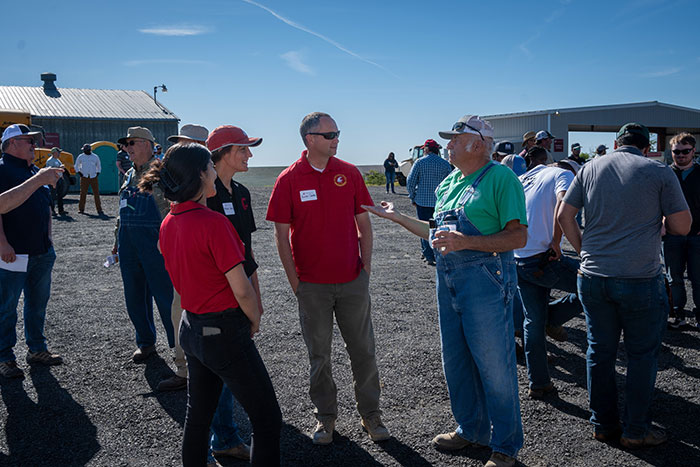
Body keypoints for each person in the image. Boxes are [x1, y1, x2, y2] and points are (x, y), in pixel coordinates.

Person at [364, 115, 526, 467]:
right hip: (449, 279)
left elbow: (518, 236)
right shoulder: (450, 181)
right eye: (449, 139)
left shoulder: (501, 178)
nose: (448, 145)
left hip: (487, 279)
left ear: (479, 144)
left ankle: (506, 446)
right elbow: (436, 232)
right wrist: (397, 218)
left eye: (456, 139)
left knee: (495, 364)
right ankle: (471, 430)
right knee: (455, 359)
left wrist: (466, 241)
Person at [141, 142, 281, 466]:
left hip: (191, 328)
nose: (215, 173)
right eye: (211, 167)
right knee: (267, 418)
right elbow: (242, 289)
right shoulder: (214, 223)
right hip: (224, 332)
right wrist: (254, 317)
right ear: (202, 175)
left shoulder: (168, 223)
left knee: (198, 417)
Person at [558, 122, 691, 448]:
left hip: (593, 276)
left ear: (616, 145)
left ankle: (603, 424)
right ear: (647, 148)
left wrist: (583, 251)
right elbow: (683, 226)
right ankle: (636, 429)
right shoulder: (659, 172)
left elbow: (564, 216)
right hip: (640, 278)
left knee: (599, 352)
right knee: (642, 355)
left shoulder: (590, 167)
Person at [267, 112, 389, 445]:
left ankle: (371, 414)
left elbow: (364, 225)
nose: (337, 138)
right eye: (330, 134)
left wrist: (365, 271)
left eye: (338, 132)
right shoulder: (289, 179)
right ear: (310, 139)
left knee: (363, 351)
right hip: (312, 287)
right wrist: (296, 283)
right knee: (319, 356)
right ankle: (325, 418)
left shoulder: (348, 173)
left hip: (352, 282)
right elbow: (280, 236)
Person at [204, 124, 266, 463]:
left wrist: (256, 295)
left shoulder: (241, 193)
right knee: (218, 374)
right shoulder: (204, 195)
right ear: (222, 153)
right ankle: (223, 437)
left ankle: (223, 436)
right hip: (217, 300)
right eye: (242, 150)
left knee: (226, 373)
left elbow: (248, 250)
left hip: (241, 294)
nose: (249, 155)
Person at [515, 151, 583, 399]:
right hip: (545, 256)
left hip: (519, 256)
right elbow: (564, 208)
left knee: (532, 321)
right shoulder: (563, 175)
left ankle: (539, 382)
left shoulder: (524, 179)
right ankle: (553, 318)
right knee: (595, 286)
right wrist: (558, 240)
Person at [0, 124, 64, 379]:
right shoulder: (3, 169)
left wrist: (49, 239)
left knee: (37, 305)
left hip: (41, 252)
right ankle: (4, 357)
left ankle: (37, 350)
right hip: (12, 253)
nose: (34, 145)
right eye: (29, 141)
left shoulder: (35, 170)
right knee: (6, 308)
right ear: (12, 143)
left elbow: (45, 206)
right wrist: (2, 243)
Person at [113, 127, 174, 362]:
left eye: (132, 143)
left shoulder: (161, 173)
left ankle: (180, 348)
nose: (127, 148)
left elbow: (169, 209)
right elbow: (122, 208)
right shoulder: (129, 175)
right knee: (134, 296)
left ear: (148, 144)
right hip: (129, 244)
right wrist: (116, 238)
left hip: (156, 243)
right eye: (125, 145)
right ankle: (145, 342)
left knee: (165, 295)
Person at [158, 123, 212, 391]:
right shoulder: (177, 178)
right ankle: (184, 369)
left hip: (209, 265)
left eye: (184, 142)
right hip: (182, 259)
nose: (178, 147)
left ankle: (203, 371)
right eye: (177, 142)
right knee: (179, 312)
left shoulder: (211, 180)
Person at [663, 132, 700, 329]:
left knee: (698, 278)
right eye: (677, 151)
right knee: (674, 277)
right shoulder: (665, 174)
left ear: (693, 151)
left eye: (686, 151)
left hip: (697, 236)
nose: (681, 155)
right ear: (672, 152)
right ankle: (678, 314)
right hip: (672, 236)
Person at [406, 139, 453, 266]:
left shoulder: (420, 162)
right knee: (438, 228)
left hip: (422, 201)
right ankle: (438, 252)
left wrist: (412, 197)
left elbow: (410, 181)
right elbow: (451, 183)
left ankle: (428, 254)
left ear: (426, 149)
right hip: (440, 203)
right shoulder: (444, 163)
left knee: (424, 227)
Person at [75, 143, 103, 215]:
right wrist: (79, 172)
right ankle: (81, 209)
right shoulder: (81, 156)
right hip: (84, 177)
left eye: (85, 150)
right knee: (83, 193)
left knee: (96, 193)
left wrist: (97, 173)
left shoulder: (95, 157)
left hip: (93, 177)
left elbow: (99, 165)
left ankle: (99, 209)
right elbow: (76, 165)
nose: (84, 151)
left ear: (89, 150)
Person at [45, 147, 67, 215]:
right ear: (54, 153)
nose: (59, 153)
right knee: (53, 195)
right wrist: (59, 168)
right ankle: (52, 210)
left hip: (59, 179)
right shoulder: (50, 161)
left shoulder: (57, 160)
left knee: (60, 195)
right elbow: (50, 171)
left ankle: (61, 210)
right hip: (54, 180)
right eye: (58, 152)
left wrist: (62, 176)